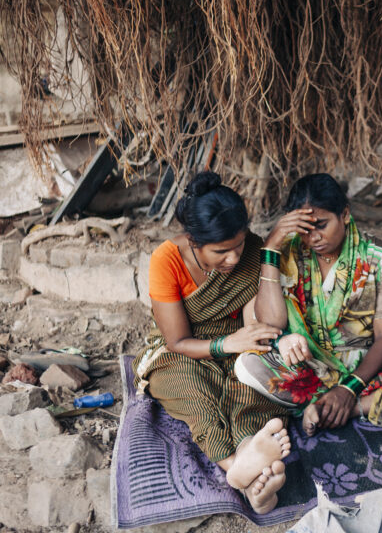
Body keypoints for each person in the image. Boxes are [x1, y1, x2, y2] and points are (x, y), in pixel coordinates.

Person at [235, 173, 382, 435]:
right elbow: (271, 323)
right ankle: (330, 404)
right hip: (310, 365)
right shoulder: (288, 252)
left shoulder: (376, 256)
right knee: (248, 366)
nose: (313, 237)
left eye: (321, 225)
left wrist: (348, 389)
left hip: (364, 365)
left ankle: (347, 407)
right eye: (305, 230)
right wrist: (271, 247)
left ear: (345, 215)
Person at [131, 172, 291, 514]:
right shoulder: (167, 260)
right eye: (221, 251)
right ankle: (242, 473)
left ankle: (251, 451)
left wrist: (270, 251)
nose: (234, 258)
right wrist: (226, 344)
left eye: (239, 245)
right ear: (193, 240)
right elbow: (176, 341)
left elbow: (266, 322)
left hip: (238, 339)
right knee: (197, 393)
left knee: (251, 388)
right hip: (182, 352)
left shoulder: (251, 250)